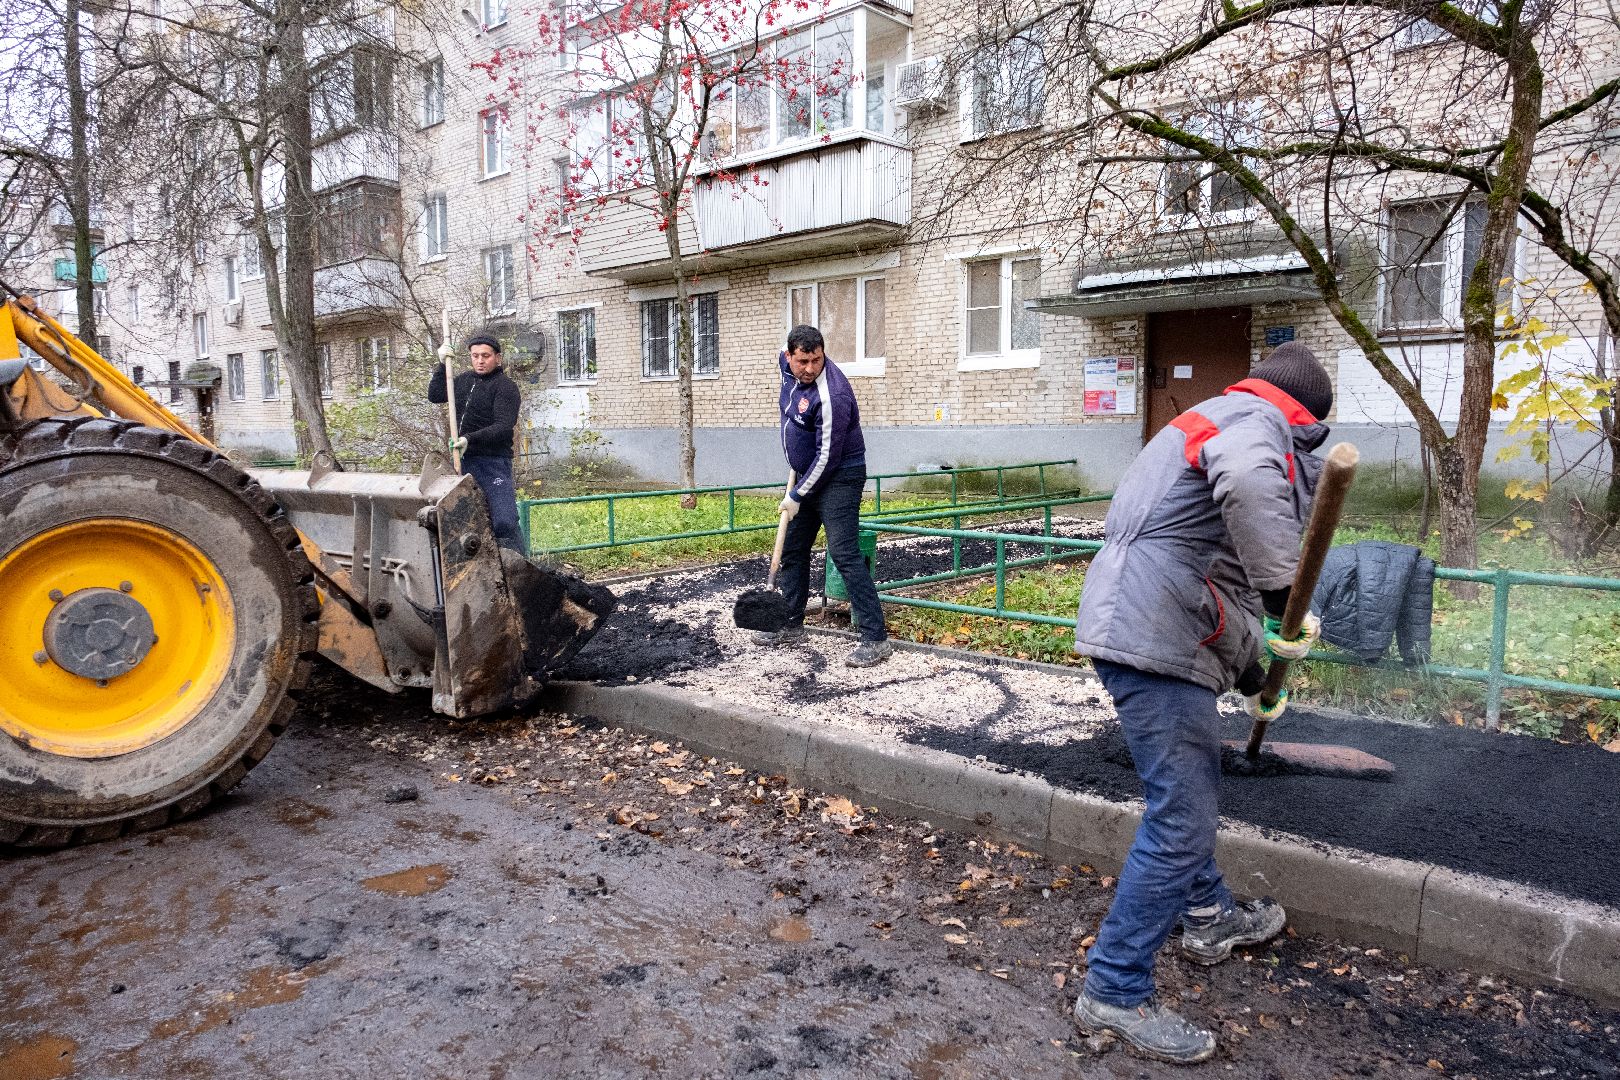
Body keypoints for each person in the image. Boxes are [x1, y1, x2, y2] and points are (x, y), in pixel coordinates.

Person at [1069, 341, 1333, 1065]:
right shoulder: (1256, 427)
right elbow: (1249, 494)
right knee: (1181, 814)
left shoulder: (1220, 413)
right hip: (1153, 634)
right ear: (1304, 420)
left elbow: (1211, 572)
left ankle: (1210, 914)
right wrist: (1286, 601)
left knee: (1185, 796)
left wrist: (1257, 673)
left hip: (1152, 624)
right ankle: (1115, 991)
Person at [758, 324, 892, 668]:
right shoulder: (788, 367)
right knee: (794, 549)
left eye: (816, 360)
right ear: (790, 356)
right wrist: (799, 481)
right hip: (806, 473)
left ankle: (875, 638)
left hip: (841, 475)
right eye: (802, 361)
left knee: (844, 553)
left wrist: (798, 494)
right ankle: (790, 623)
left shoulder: (833, 394)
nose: (809, 368)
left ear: (823, 355)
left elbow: (828, 457)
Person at [428, 333, 524, 551]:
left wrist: (469, 439)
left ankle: (521, 566)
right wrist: (442, 365)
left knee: (503, 521)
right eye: (475, 356)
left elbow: (503, 426)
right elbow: (435, 395)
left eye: (486, 356)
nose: (480, 360)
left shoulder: (505, 387)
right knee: (466, 521)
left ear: (497, 358)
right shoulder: (463, 381)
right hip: (463, 461)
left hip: (493, 463)